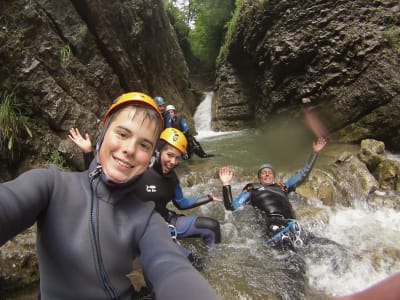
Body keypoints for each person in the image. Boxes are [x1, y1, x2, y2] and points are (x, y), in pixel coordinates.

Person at [0, 92, 220, 300]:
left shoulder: (146, 219)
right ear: (103, 134)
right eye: (122, 134)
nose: (130, 149)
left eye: (144, 145)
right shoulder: (51, 186)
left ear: (150, 157)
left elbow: (171, 266)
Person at [69, 127, 222, 264]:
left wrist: (208, 198)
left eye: (177, 157)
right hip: (143, 229)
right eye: (169, 155)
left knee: (212, 227)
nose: (173, 161)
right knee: (193, 262)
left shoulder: (172, 178)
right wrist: (88, 153)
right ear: (158, 151)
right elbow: (100, 185)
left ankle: (216, 265)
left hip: (166, 221)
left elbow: (181, 203)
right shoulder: (138, 169)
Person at [218, 137, 327, 250]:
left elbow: (303, 174)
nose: (266, 174)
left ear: (274, 177)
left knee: (327, 247)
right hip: (271, 224)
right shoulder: (252, 189)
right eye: (263, 173)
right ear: (259, 178)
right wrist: (226, 185)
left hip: (292, 224)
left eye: (269, 172)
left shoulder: (283, 187)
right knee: (292, 259)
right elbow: (231, 206)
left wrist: (314, 153)